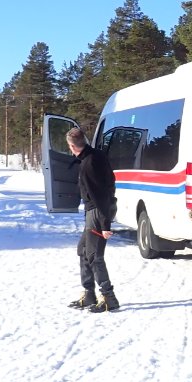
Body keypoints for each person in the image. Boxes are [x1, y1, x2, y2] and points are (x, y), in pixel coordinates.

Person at [65, 127, 120, 313]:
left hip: (97, 212)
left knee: (95, 256)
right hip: (95, 211)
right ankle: (89, 293)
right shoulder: (95, 155)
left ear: (72, 146)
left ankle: (108, 297)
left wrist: (105, 224)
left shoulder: (89, 165)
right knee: (83, 250)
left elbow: (101, 194)